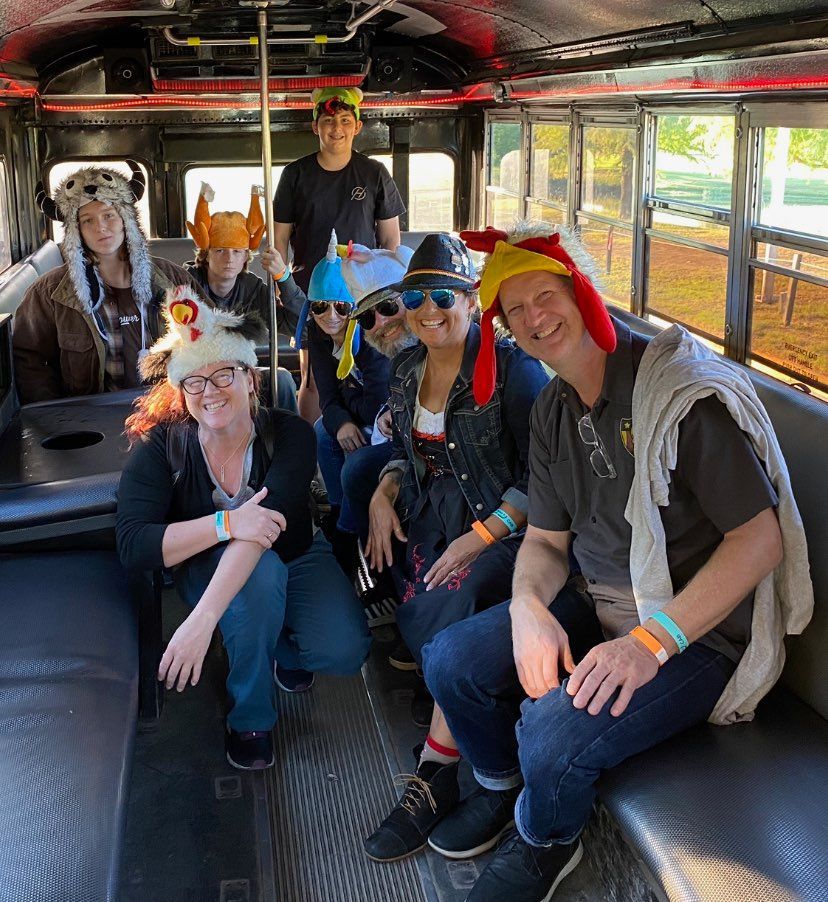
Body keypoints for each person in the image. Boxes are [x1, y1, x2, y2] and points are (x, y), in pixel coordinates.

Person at [417, 222, 812, 899]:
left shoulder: (676, 395)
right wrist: (527, 608)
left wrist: (649, 644)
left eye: (547, 295)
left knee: (549, 735)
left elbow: (759, 540)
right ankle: (503, 789)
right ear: (506, 328)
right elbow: (544, 542)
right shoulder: (553, 409)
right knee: (449, 660)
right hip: (597, 596)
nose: (536, 317)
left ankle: (546, 841)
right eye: (517, 310)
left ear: (583, 293)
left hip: (693, 632)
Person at [116, 287, 371, 770]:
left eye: (223, 374)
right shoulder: (162, 449)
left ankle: (276, 649)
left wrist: (200, 622)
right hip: (209, 566)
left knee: (344, 650)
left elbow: (265, 528)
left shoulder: (289, 434)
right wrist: (224, 523)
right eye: (194, 381)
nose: (210, 391)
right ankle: (250, 716)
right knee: (258, 583)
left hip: (295, 552)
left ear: (251, 379)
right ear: (181, 391)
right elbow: (134, 544)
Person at [362, 233, 550, 863]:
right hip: (430, 506)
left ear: (473, 301)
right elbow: (401, 456)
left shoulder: (513, 370)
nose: (429, 308)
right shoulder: (406, 367)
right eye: (416, 296)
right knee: (398, 558)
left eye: (444, 294)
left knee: (459, 589)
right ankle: (443, 683)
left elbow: (541, 481)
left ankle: (434, 771)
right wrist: (383, 494)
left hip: (504, 523)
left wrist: (480, 537)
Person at [13, 161, 201, 404]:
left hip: (167, 408)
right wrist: (57, 416)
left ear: (125, 219)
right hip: (91, 417)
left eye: (109, 215)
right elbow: (28, 357)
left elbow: (207, 335)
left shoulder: (173, 279)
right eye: (87, 220)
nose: (101, 227)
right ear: (76, 230)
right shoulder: (49, 292)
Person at [273, 86, 406, 421]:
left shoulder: (374, 173)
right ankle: (313, 456)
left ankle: (367, 437)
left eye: (345, 120)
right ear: (315, 126)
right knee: (314, 378)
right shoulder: (295, 175)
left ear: (357, 127)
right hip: (311, 294)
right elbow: (279, 241)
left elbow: (390, 239)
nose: (337, 128)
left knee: (369, 370)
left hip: (363, 293)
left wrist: (386, 294)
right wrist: (281, 283)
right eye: (329, 120)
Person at [292, 231, 394, 565]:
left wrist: (347, 412)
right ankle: (337, 514)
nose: (331, 316)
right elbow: (327, 394)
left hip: (385, 421)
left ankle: (348, 534)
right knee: (323, 430)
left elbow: (376, 402)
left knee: (355, 459)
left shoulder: (372, 332)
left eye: (342, 306)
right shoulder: (317, 334)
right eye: (320, 306)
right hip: (363, 414)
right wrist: (341, 422)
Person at [183, 181, 302, 413]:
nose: (229, 259)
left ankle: (288, 442)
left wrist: (283, 278)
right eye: (220, 251)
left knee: (283, 381)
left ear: (246, 257)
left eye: (237, 252)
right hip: (197, 372)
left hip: (240, 371)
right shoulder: (187, 284)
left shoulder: (252, 289)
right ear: (206, 255)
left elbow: (300, 328)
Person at [337, 241, 418, 545]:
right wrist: (390, 410)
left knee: (359, 467)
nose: (381, 322)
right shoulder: (399, 357)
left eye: (387, 307)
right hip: (407, 444)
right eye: (368, 318)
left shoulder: (434, 341)